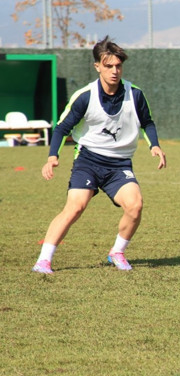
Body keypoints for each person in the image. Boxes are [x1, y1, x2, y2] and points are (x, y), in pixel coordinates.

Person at [32, 37, 167, 274]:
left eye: (118, 66)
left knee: (135, 206)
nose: (114, 71)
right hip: (89, 161)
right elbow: (62, 127)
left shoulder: (135, 95)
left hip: (120, 165)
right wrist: (52, 156)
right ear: (97, 66)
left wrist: (154, 145)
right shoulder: (85, 96)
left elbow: (148, 122)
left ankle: (117, 252)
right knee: (75, 207)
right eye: (108, 66)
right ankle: (43, 260)